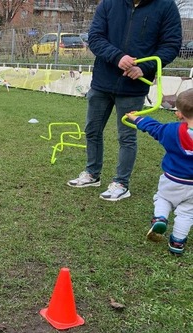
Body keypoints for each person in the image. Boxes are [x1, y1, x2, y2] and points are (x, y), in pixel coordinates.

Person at [67, 0, 182, 201]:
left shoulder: (166, 6)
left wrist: (145, 68)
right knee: (92, 130)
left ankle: (121, 183)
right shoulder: (109, 4)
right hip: (102, 82)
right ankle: (92, 174)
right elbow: (95, 38)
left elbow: (171, 45)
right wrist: (117, 57)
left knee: (126, 136)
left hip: (134, 86)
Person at [125, 89, 193, 256]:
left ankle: (160, 218)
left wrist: (136, 118)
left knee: (163, 198)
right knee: (187, 213)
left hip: (172, 180)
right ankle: (177, 243)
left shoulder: (171, 131)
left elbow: (153, 128)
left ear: (179, 115)